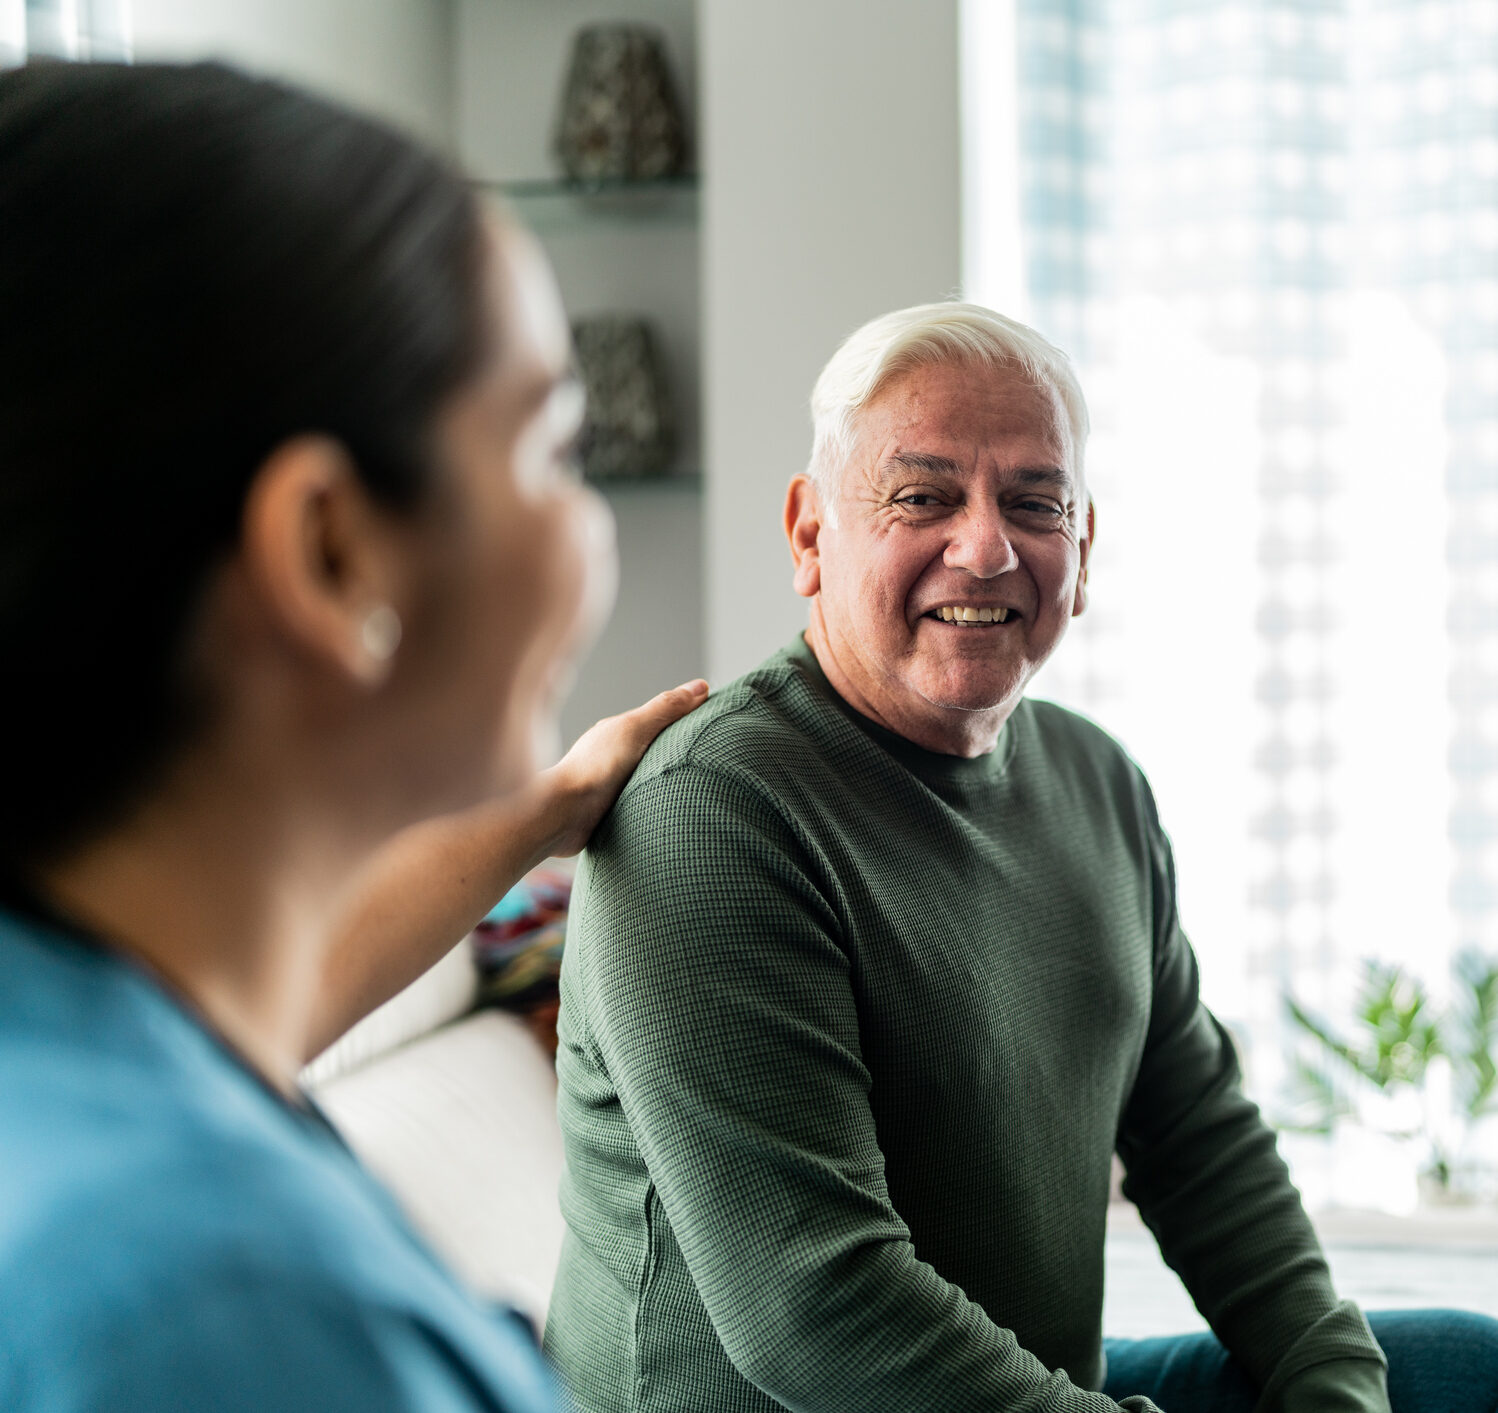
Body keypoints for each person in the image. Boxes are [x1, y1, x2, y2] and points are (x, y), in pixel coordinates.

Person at [545, 302, 1498, 1412]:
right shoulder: (711, 815)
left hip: (1036, 1391)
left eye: (1034, 502)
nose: (986, 546)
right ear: (810, 535)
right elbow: (819, 1310)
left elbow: (1201, 1145)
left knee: (1454, 1367)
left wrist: (1335, 1390)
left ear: (1081, 552)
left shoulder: (1096, 783)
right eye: (923, 496)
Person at [0, 60, 704, 1412]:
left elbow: (264, 999)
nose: (592, 528)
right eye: (553, 449)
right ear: (329, 552)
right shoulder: (225, 1316)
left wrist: (553, 800)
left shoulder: (74, 1024)